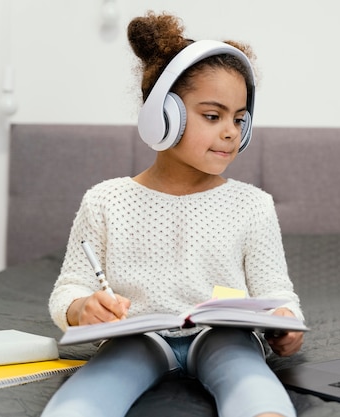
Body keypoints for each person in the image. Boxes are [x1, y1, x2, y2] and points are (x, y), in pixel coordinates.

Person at [41, 11, 304, 417]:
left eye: (239, 119)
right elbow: (69, 288)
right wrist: (81, 309)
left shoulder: (253, 205)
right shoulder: (105, 200)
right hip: (136, 339)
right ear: (163, 116)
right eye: (213, 116)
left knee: (253, 386)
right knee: (82, 401)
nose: (232, 131)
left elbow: (277, 293)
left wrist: (286, 323)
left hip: (224, 336)